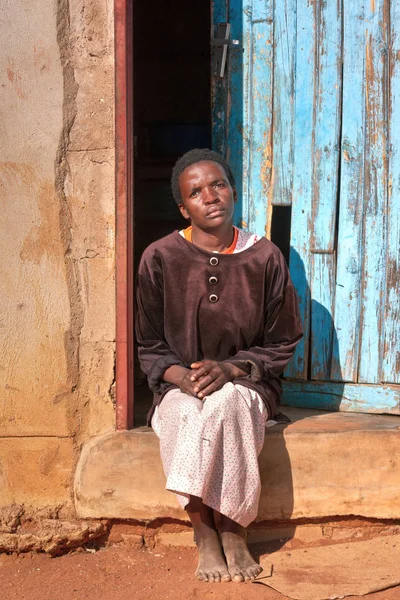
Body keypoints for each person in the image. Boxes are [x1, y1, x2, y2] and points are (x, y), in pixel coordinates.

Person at [136, 149, 303, 583]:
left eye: (218, 185)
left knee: (227, 404)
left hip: (249, 381)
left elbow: (283, 340)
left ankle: (233, 529)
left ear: (232, 191)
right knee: (184, 413)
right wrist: (183, 379)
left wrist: (231, 370)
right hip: (179, 383)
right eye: (196, 192)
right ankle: (203, 530)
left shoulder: (264, 257)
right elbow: (150, 346)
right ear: (183, 207)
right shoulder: (159, 258)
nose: (210, 196)